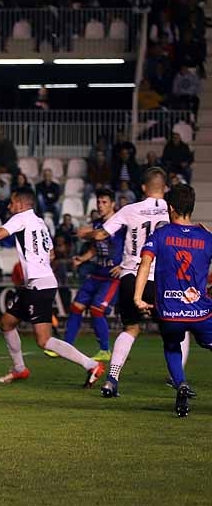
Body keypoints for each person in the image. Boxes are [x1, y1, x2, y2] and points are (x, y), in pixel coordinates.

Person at [0, 189, 105, 386]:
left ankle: (91, 365)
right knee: (6, 323)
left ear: (22, 205)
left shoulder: (21, 218)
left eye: (11, 203)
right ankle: (19, 369)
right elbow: (50, 253)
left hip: (40, 286)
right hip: (36, 284)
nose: (8, 206)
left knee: (44, 340)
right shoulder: (40, 223)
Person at [77, 167, 174, 397]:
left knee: (130, 328)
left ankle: (112, 379)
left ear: (143, 188)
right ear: (165, 188)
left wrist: (86, 233)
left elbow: (101, 235)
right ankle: (176, 378)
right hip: (158, 278)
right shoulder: (172, 211)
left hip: (130, 275)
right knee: (174, 329)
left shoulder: (130, 209)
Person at [133, 184, 210, 416]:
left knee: (171, 345)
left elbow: (145, 264)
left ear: (171, 208)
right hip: (200, 311)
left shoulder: (161, 235)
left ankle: (181, 383)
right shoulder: (207, 237)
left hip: (169, 311)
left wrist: (138, 297)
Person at [63, 189, 122, 360]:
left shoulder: (120, 223)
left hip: (112, 277)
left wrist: (124, 266)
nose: (100, 205)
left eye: (104, 202)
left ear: (112, 204)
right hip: (97, 273)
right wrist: (81, 259)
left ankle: (105, 350)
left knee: (97, 309)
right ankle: (66, 346)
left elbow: (132, 246)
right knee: (76, 307)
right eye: (98, 202)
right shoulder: (97, 223)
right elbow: (94, 248)